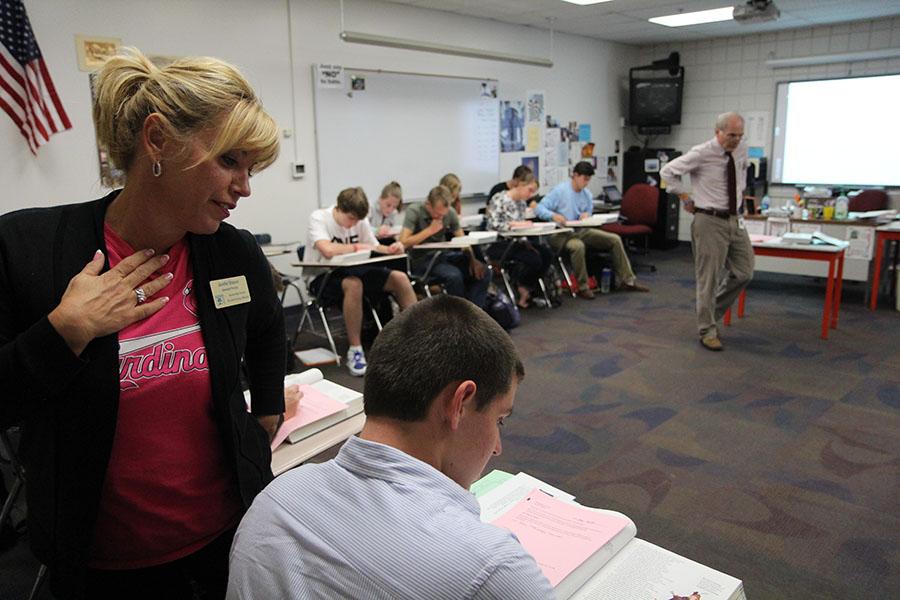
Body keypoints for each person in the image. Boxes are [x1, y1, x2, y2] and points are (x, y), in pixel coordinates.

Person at [0, 47, 286, 599]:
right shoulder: (28, 249)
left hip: (229, 537)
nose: (245, 187)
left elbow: (269, 327)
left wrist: (267, 411)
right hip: (105, 565)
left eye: (251, 169)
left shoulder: (231, 253)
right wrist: (66, 331)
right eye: (231, 161)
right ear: (157, 140)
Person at [227, 295, 555, 600]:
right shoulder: (493, 568)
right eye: (499, 420)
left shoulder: (274, 499)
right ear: (459, 404)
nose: (497, 447)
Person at [660, 112, 753, 351]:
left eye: (740, 135)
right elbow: (667, 172)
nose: (736, 140)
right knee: (708, 279)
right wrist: (684, 195)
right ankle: (707, 330)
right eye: (732, 135)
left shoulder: (742, 149)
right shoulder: (701, 152)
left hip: (735, 219)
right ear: (718, 132)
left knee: (744, 272)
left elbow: (740, 177)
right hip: (709, 220)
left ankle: (711, 312)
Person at [306, 187, 417, 376]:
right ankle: (355, 350)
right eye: (350, 219)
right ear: (339, 208)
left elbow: (374, 246)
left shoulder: (360, 219)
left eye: (357, 221)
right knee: (354, 284)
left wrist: (392, 249)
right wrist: (357, 246)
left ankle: (421, 337)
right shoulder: (319, 217)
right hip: (322, 275)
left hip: (354, 269)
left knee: (399, 278)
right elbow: (327, 250)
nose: (353, 225)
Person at [535, 161, 650, 298]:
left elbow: (588, 214)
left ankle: (628, 280)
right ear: (575, 175)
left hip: (580, 230)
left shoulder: (587, 195)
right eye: (584, 179)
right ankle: (583, 286)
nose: (586, 183)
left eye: (588, 180)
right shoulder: (560, 191)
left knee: (614, 239)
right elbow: (539, 208)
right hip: (560, 234)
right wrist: (553, 215)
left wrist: (587, 215)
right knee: (578, 246)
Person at [399, 185, 492, 309]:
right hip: (422, 260)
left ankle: (474, 312)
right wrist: (430, 230)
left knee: (484, 271)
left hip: (443, 256)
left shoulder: (449, 213)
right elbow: (403, 242)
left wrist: (472, 260)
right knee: (454, 276)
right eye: (437, 214)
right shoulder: (414, 210)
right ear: (428, 205)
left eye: (444, 214)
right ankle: (460, 315)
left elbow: (463, 240)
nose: (440, 217)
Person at [485, 172, 553, 308]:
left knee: (546, 254)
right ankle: (523, 286)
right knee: (534, 259)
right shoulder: (499, 199)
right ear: (521, 185)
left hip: (517, 242)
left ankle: (526, 285)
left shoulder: (521, 203)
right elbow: (493, 224)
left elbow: (521, 228)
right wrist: (513, 225)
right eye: (530, 190)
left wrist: (525, 241)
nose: (531, 195)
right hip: (499, 243)